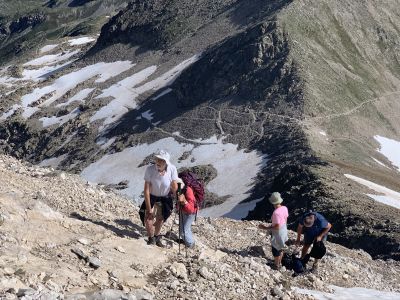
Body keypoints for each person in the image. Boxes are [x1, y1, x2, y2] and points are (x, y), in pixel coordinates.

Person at [143, 149, 178, 246]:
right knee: (148, 218)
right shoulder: (150, 169)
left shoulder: (172, 169)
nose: (158, 162)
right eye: (157, 159)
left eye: (161, 160)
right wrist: (149, 208)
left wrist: (178, 199)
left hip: (165, 197)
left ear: (166, 162)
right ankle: (151, 238)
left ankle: (157, 237)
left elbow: (174, 186)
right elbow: (146, 190)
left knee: (160, 219)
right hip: (152, 195)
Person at [259, 192, 289, 270]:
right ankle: (279, 262)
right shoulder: (284, 208)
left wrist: (264, 227)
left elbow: (277, 227)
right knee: (281, 247)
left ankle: (276, 265)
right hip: (284, 230)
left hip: (277, 233)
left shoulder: (276, 213)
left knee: (275, 249)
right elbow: (285, 219)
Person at [176, 177, 198, 248]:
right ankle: (186, 240)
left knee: (183, 231)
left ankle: (190, 244)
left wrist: (184, 201)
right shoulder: (182, 190)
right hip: (183, 211)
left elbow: (191, 209)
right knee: (184, 229)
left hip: (190, 213)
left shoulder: (188, 191)